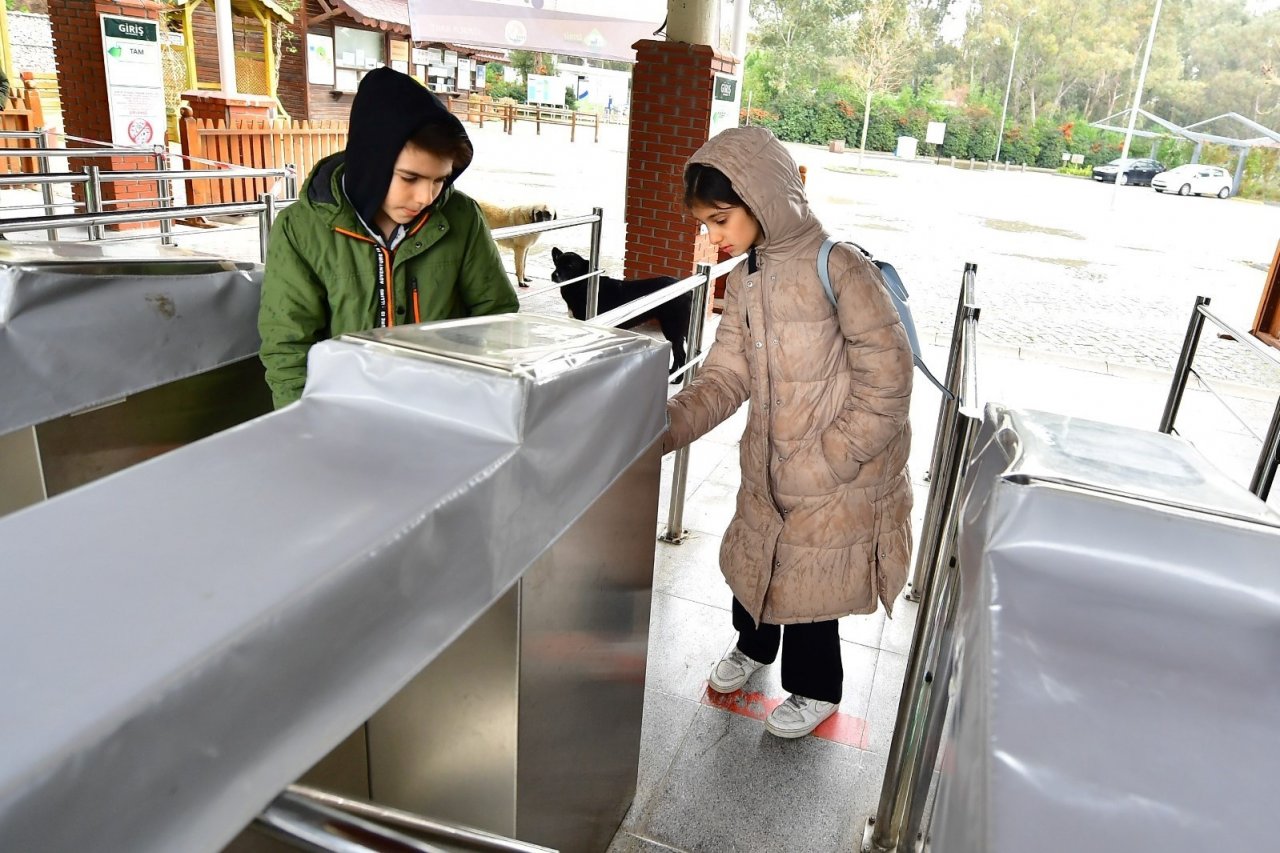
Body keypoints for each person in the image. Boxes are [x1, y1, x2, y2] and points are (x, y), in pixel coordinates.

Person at [662, 126, 914, 739]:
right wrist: (660, 428)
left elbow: (888, 382)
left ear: (763, 199)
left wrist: (828, 461)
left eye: (720, 219)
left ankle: (817, 689)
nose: (712, 236)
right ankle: (753, 650)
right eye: (706, 223)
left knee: (811, 587)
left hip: (834, 472)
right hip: (769, 463)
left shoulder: (841, 267)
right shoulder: (747, 278)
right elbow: (725, 376)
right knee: (757, 563)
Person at [259, 67, 519, 408]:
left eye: (440, 180)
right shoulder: (301, 229)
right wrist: (305, 422)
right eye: (410, 178)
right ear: (371, 162)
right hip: (345, 413)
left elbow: (496, 317)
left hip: (445, 408)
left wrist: (477, 399)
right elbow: (288, 347)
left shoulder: (461, 217)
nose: (426, 197)